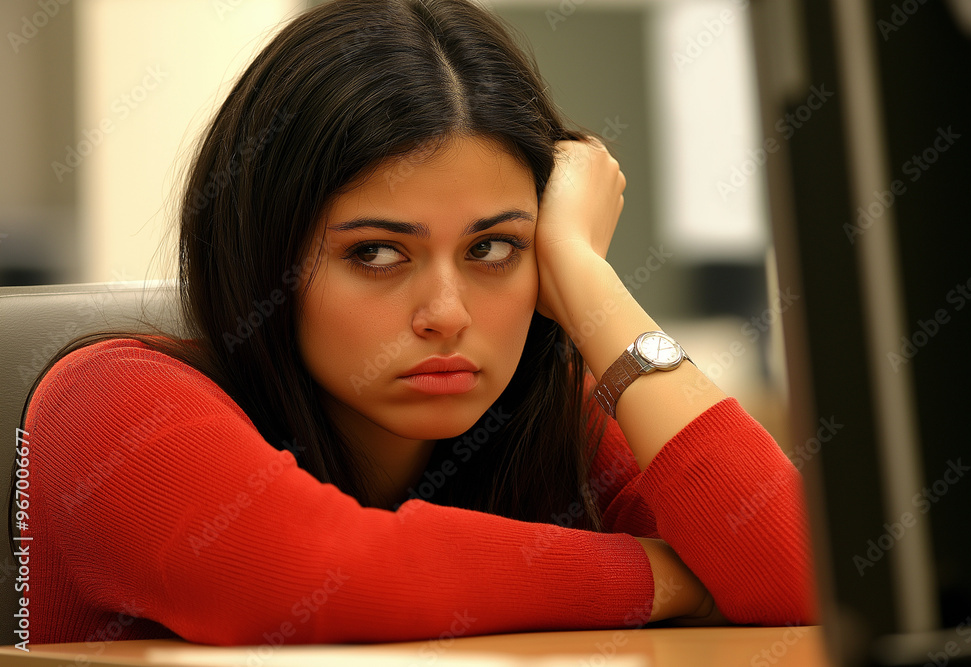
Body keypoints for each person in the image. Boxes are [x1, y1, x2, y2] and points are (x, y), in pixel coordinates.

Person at [15, 0, 816, 646]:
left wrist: (586, 281)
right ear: (265, 260)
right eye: (376, 254)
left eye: (495, 247)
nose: (447, 314)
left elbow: (802, 573)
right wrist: (672, 575)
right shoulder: (109, 402)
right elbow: (299, 579)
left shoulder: (552, 412)